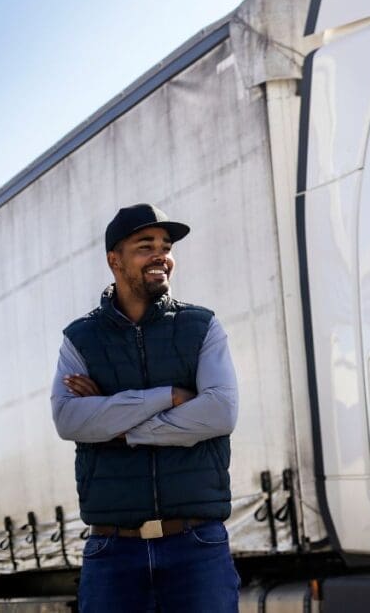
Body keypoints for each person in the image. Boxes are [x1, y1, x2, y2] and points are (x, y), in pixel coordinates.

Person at [50, 203, 240, 612]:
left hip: (197, 547)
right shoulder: (80, 338)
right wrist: (167, 396)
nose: (161, 256)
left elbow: (220, 411)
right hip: (113, 550)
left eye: (166, 246)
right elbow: (68, 419)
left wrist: (115, 422)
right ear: (114, 260)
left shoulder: (202, 326)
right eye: (145, 245)